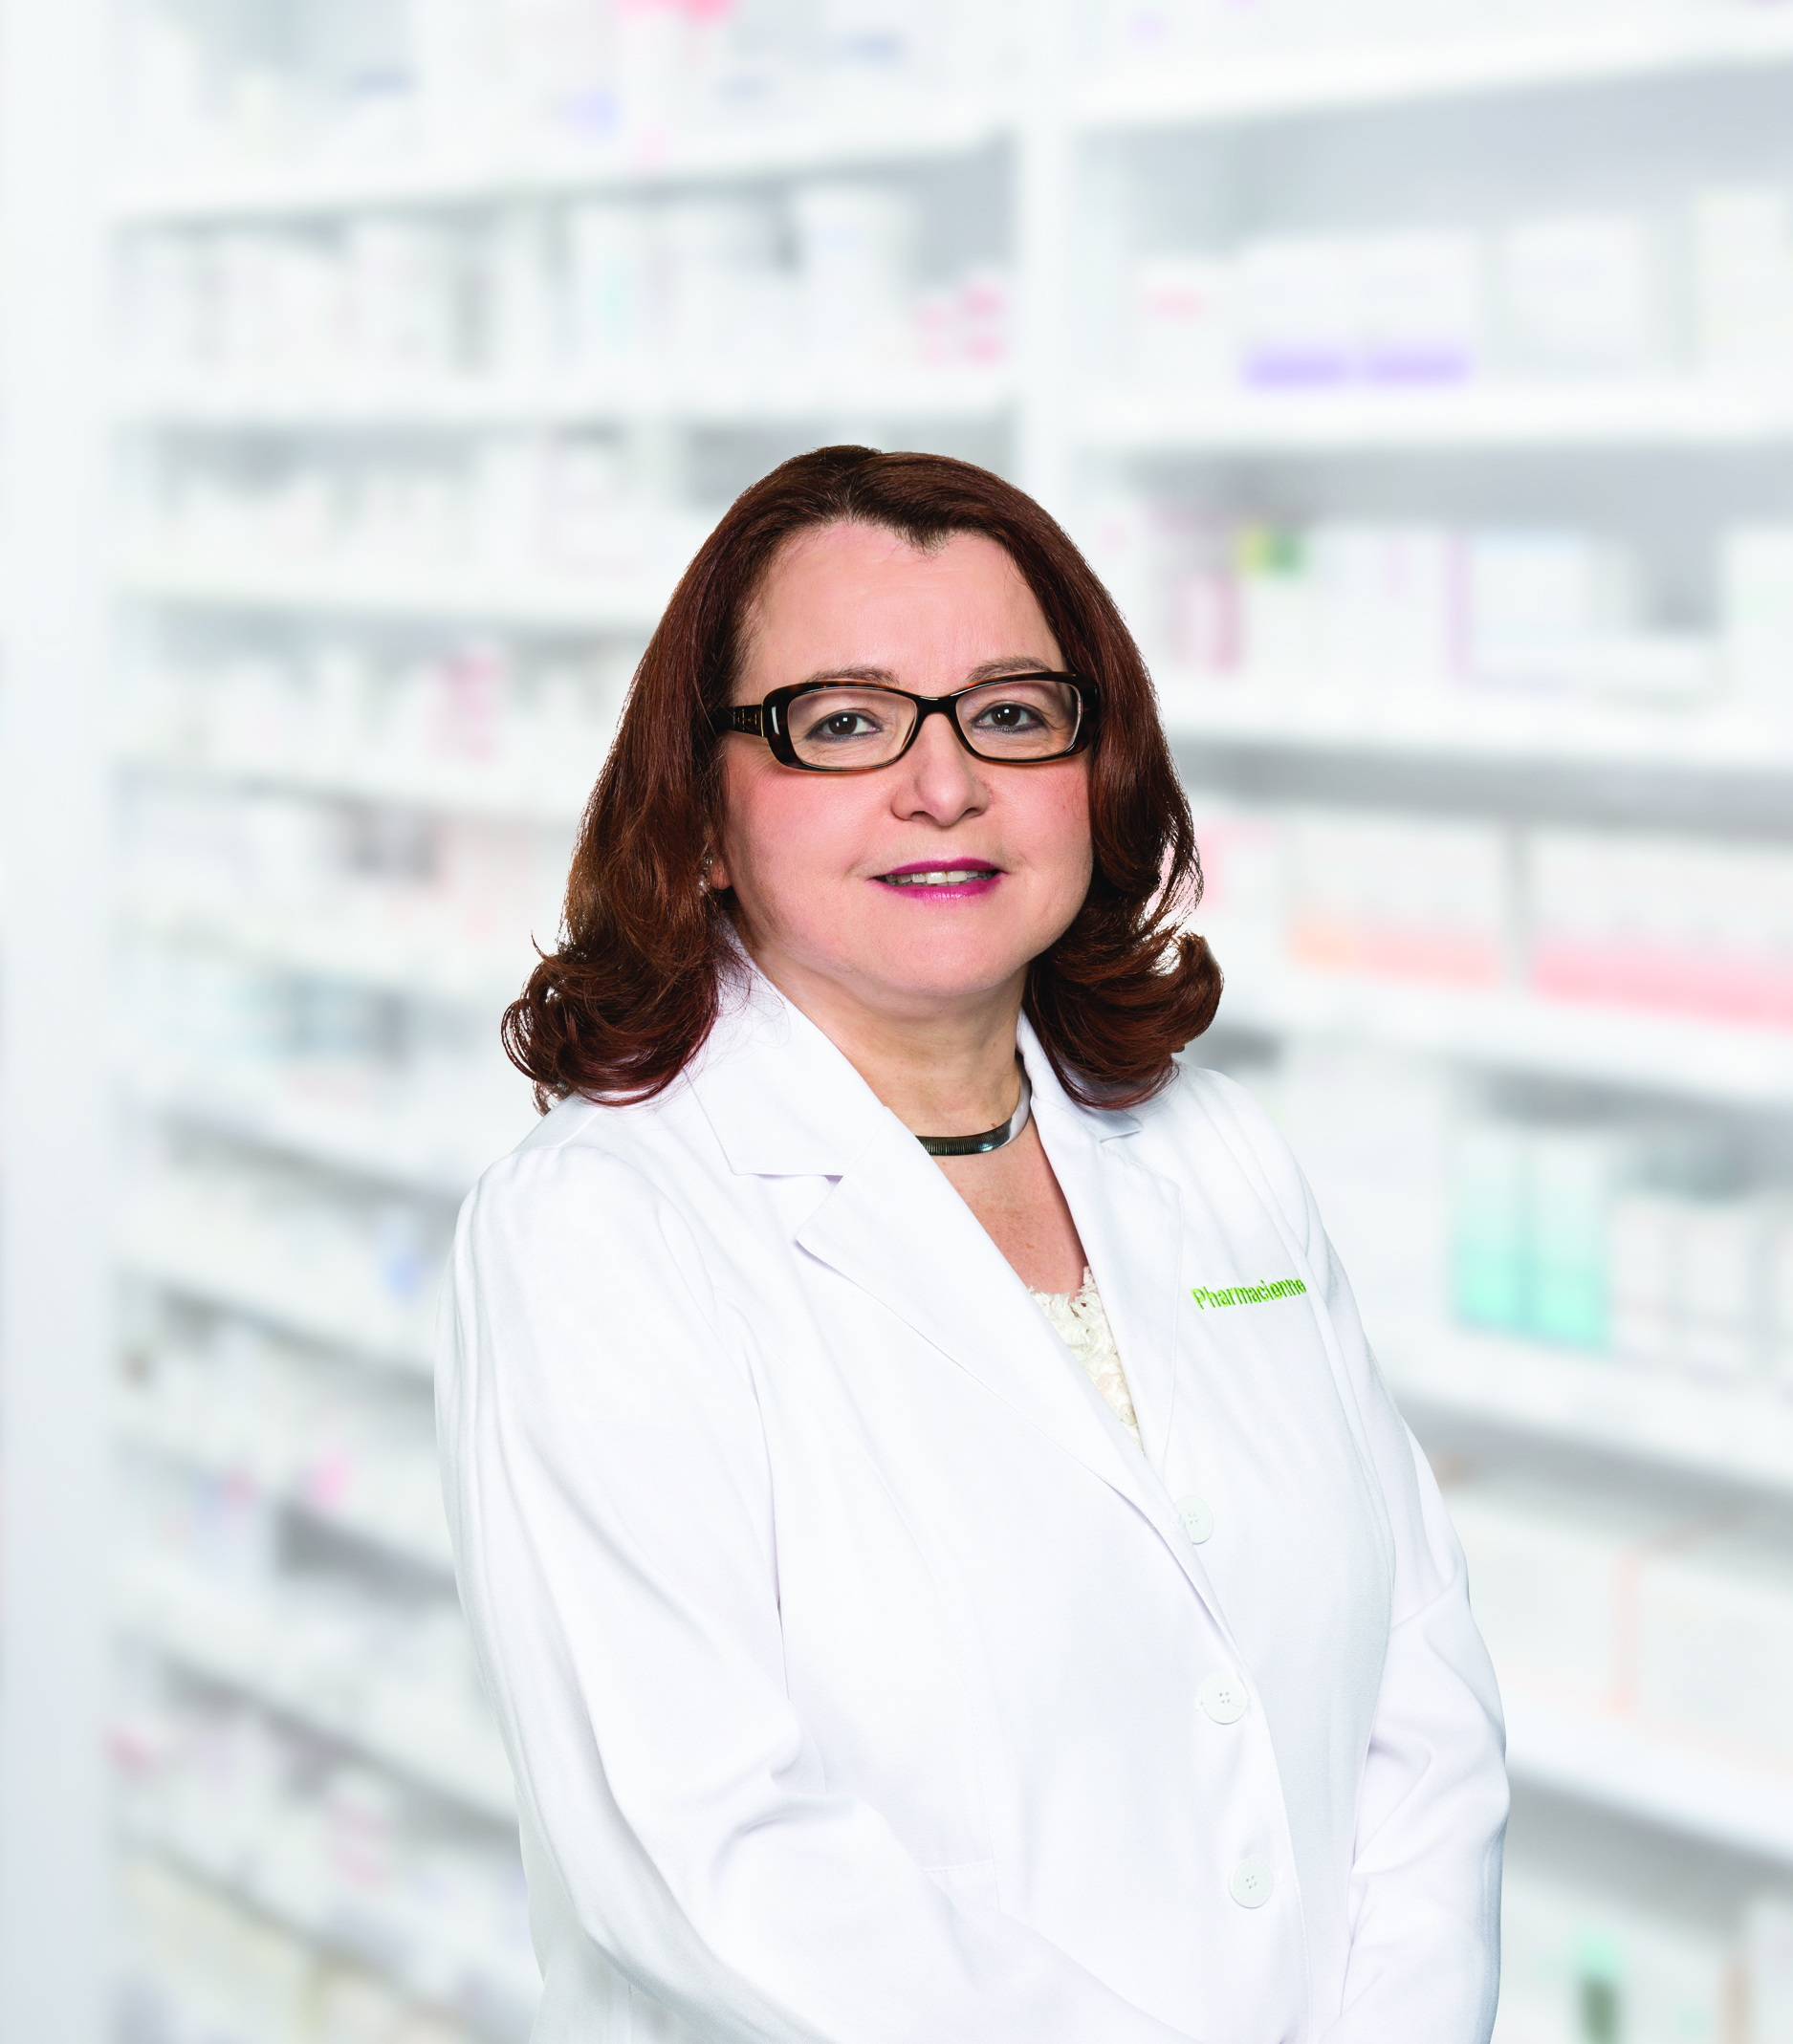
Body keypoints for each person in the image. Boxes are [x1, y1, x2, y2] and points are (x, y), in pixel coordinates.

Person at [437, 446, 1508, 2044]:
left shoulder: (1212, 1152)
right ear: (702, 812)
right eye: (842, 722)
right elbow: (709, 1857)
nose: (942, 784)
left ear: (1096, 770)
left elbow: (1420, 1693)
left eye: (1009, 713)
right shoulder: (601, 1229)